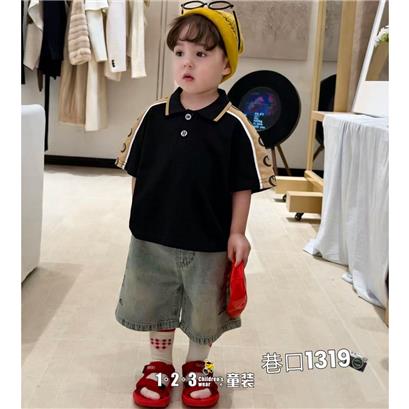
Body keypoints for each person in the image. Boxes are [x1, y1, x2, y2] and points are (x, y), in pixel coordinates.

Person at [114, 2, 275, 407]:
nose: (187, 62)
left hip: (209, 243)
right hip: (152, 239)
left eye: (201, 53)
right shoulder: (154, 116)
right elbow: (138, 172)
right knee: (156, 303)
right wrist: (143, 216)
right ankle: (159, 364)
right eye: (180, 52)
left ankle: (197, 365)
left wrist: (237, 232)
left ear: (226, 65)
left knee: (204, 311)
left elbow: (242, 186)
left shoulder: (234, 125)